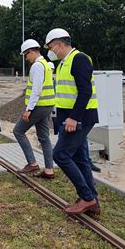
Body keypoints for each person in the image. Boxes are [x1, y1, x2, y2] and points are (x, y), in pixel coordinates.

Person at [45, 28, 100, 215]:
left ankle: (87, 198)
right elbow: (65, 95)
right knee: (80, 159)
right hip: (70, 118)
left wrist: (74, 118)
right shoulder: (63, 63)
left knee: (60, 155)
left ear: (59, 44)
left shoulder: (79, 59)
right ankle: (93, 201)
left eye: (51, 47)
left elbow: (85, 92)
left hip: (79, 119)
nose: (50, 51)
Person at [13, 39, 56, 179]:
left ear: (31, 51)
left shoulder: (37, 66)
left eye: (26, 55)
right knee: (44, 137)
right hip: (47, 105)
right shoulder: (46, 64)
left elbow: (36, 89)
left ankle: (32, 163)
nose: (26, 58)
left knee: (18, 131)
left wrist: (28, 109)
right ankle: (49, 169)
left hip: (38, 106)